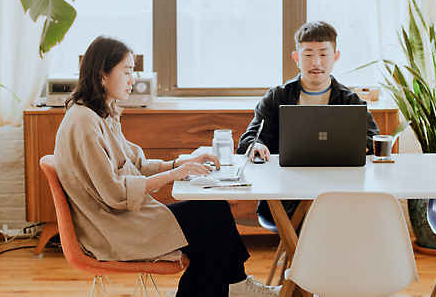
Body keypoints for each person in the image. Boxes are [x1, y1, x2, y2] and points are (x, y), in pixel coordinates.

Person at [53, 36, 280, 297]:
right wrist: (175, 174)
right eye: (127, 72)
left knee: (215, 242)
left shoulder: (102, 114)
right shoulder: (84, 123)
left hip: (125, 220)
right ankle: (238, 285)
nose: (133, 80)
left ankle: (237, 285)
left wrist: (180, 163)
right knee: (214, 212)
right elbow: (115, 193)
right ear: (102, 75)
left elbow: (136, 165)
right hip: (112, 230)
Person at [236, 21, 379, 223]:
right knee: (317, 224)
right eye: (308, 54)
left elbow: (373, 140)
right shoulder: (276, 97)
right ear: (297, 58)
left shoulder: (350, 101)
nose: (316, 62)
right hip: (287, 196)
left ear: (335, 56)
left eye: (323, 54)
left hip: (339, 192)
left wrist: (361, 146)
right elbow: (249, 140)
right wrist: (256, 145)